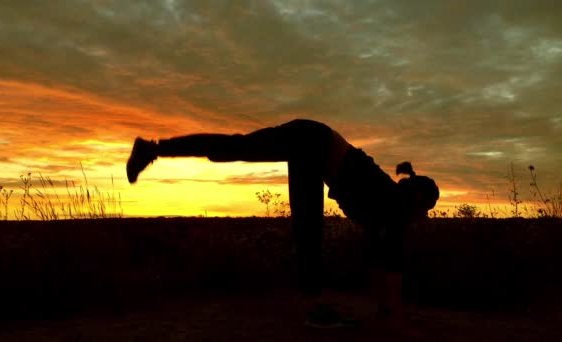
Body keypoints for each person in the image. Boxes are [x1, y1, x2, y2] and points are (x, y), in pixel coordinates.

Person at [126, 119, 439, 328]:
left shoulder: (385, 208)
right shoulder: (393, 209)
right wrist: (392, 315)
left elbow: (381, 261)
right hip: (314, 143)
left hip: (313, 137)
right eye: (426, 208)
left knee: (236, 149)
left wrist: (384, 310)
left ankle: (153, 149)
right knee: (308, 224)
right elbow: (392, 266)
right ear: (416, 200)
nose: (424, 216)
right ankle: (316, 306)